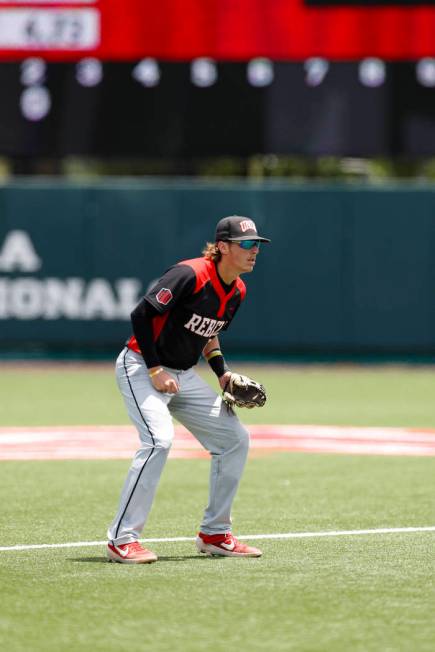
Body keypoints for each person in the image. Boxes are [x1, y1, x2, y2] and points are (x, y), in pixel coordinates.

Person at [107, 215, 271, 563]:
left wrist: (222, 373)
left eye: (257, 244)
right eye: (247, 244)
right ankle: (122, 539)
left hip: (182, 374)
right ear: (223, 246)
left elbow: (208, 332)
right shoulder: (189, 274)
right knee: (159, 440)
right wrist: (153, 369)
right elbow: (141, 314)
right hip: (140, 364)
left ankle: (214, 533)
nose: (254, 250)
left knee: (234, 439)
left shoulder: (237, 290)